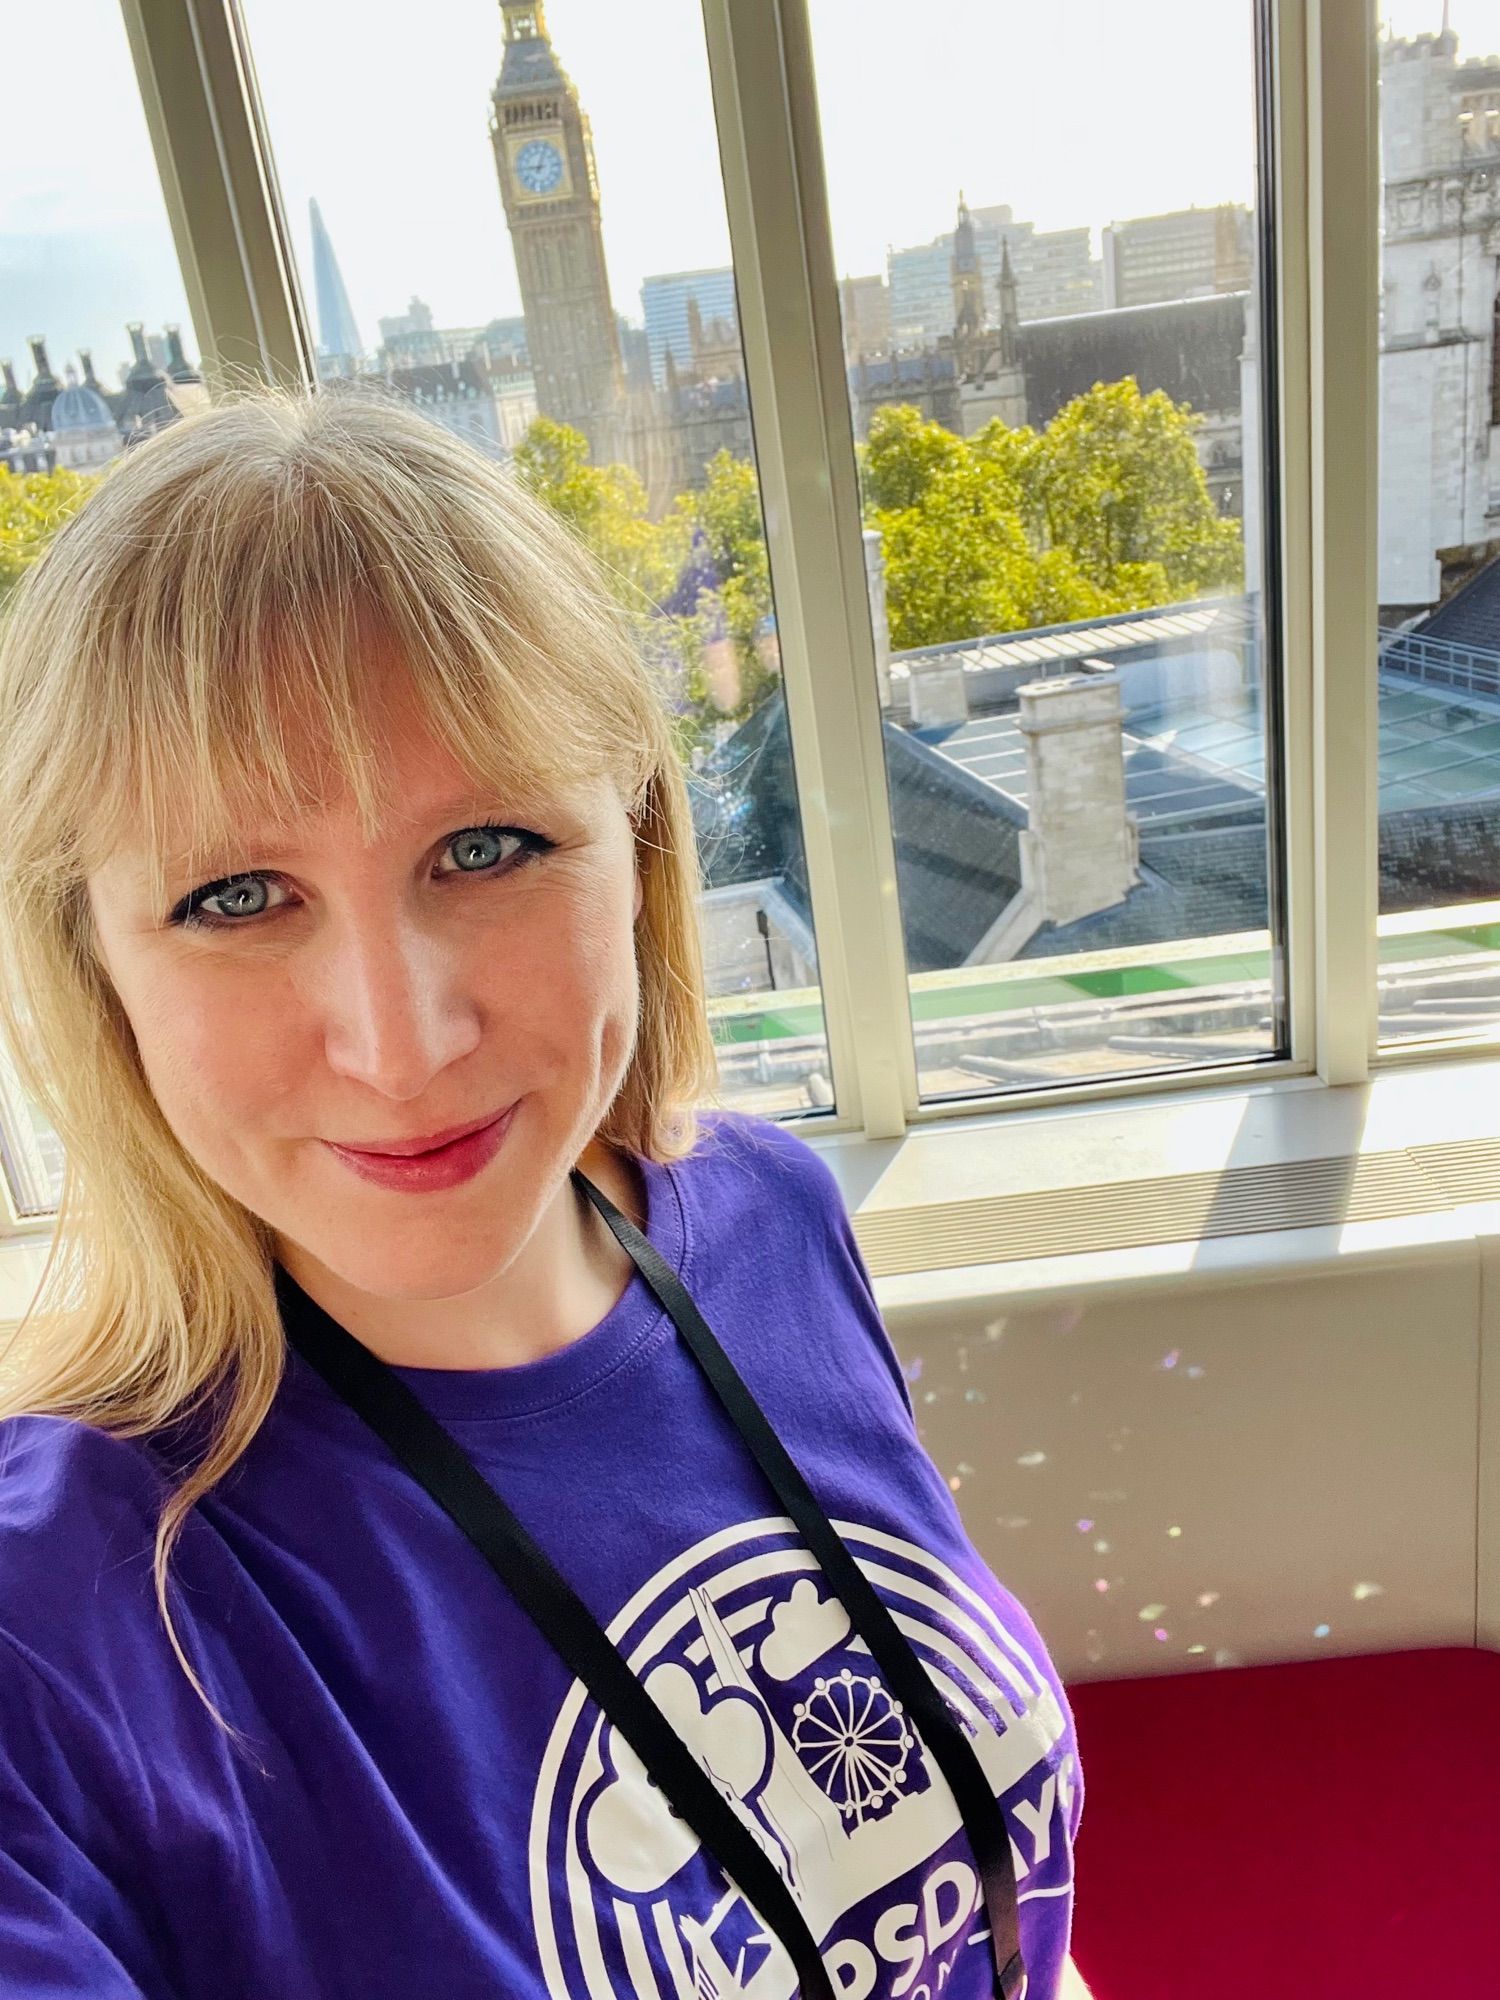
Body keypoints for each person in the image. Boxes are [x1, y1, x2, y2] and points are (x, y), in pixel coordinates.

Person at [0, 385, 1084, 1998]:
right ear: (97, 970)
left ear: (633, 847)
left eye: (488, 847)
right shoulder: (62, 1617)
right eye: (237, 895)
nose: (400, 1041)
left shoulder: (767, 1220)